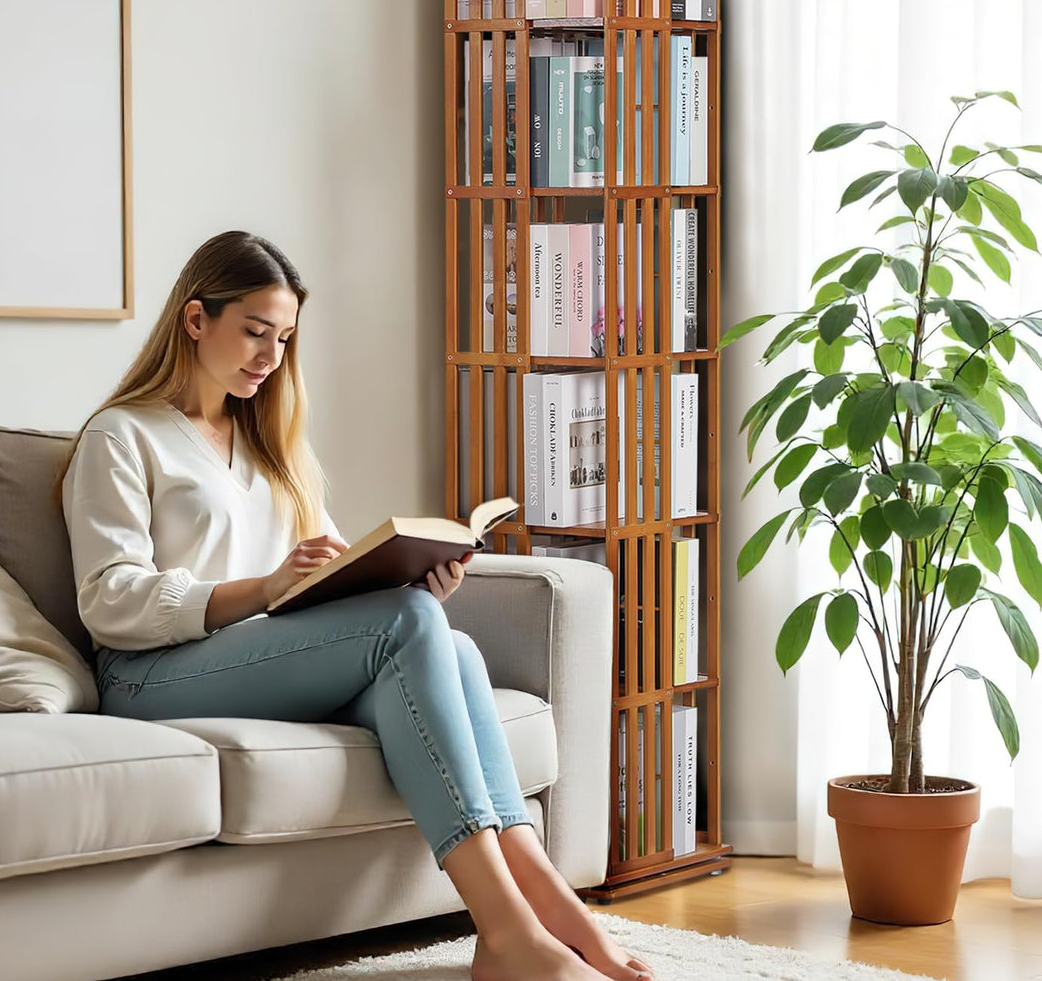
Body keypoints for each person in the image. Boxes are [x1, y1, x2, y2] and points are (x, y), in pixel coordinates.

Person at [53, 231, 654, 981]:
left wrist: (400, 580)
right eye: (253, 332)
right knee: (408, 628)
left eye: (284, 338)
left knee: (446, 639)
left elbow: (322, 577)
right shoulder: (122, 435)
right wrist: (266, 589)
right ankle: (506, 930)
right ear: (196, 319)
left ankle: (551, 906)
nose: (269, 357)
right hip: (147, 677)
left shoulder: (269, 441)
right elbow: (110, 602)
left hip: (257, 660)